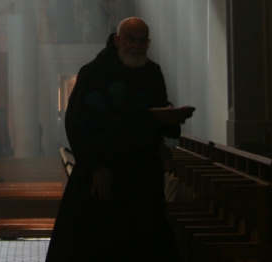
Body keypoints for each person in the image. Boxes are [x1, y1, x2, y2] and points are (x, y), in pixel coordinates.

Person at [46, 17, 195, 262]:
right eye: (130, 40)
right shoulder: (94, 72)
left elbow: (158, 114)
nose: (136, 46)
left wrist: (171, 117)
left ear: (148, 43)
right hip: (101, 179)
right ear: (117, 40)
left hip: (142, 178)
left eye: (142, 42)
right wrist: (96, 166)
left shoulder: (152, 73)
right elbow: (76, 124)